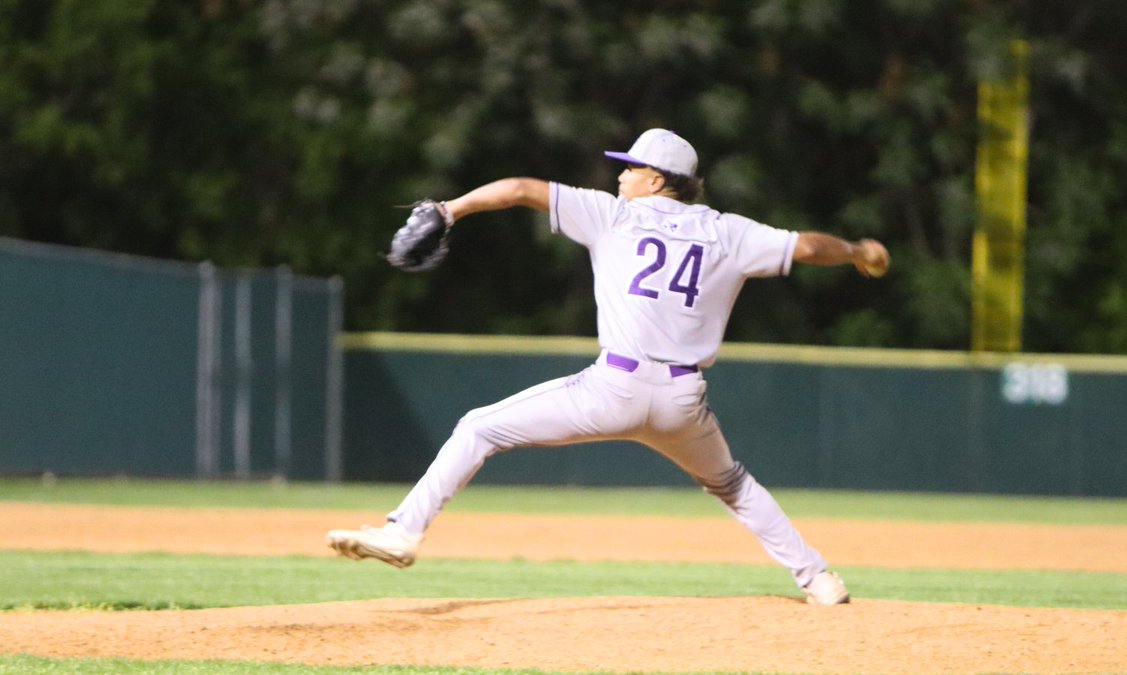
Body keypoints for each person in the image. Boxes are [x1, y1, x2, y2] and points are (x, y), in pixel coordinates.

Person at [328, 128, 890, 605]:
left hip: (613, 387)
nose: (620, 176)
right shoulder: (728, 231)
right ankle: (817, 578)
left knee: (478, 427)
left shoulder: (613, 215)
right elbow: (809, 248)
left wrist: (450, 209)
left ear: (656, 179)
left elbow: (522, 189)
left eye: (630, 168)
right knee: (733, 484)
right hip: (680, 402)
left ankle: (403, 532)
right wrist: (858, 251)